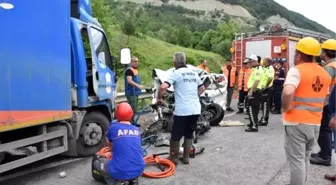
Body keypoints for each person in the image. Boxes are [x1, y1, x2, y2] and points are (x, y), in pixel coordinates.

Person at [282, 37, 331, 185]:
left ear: (298, 55)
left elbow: (288, 92)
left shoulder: (297, 70)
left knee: (296, 161)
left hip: (296, 123)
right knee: (304, 158)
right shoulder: (324, 73)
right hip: (315, 123)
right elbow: (326, 96)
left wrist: (286, 107)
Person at [157, 52, 205, 165]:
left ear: (174, 62)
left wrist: (159, 98)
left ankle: (173, 158)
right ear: (185, 61)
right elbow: (202, 88)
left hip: (183, 110)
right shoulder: (193, 73)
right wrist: (194, 96)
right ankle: (186, 157)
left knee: (176, 134)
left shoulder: (176, 73)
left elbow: (163, 86)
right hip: (195, 109)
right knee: (189, 133)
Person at [100, 102, 145, 185]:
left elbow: (108, 143)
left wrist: (111, 150)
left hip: (119, 170)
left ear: (117, 115)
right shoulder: (136, 129)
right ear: (131, 114)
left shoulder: (113, 127)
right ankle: (134, 180)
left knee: (102, 165)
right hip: (140, 169)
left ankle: (117, 182)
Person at [310, 39, 336, 166]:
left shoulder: (330, 68)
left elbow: (322, 86)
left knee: (324, 129)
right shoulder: (333, 65)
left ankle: (325, 157)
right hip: (330, 101)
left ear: (325, 53)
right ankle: (324, 152)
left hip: (327, 102)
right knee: (325, 129)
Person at [245, 54, 264, 132]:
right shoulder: (255, 69)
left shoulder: (258, 69)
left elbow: (256, 81)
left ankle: (254, 126)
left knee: (251, 108)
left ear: (255, 61)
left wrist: (251, 91)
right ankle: (253, 122)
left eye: (250, 62)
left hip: (255, 91)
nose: (249, 63)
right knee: (254, 109)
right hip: (255, 90)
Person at [124, 56, 144, 126]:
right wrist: (138, 86)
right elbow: (129, 81)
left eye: (137, 61)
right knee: (132, 109)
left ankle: (133, 122)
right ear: (131, 62)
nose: (136, 63)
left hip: (135, 92)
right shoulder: (129, 70)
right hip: (131, 92)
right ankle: (130, 123)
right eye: (135, 61)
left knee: (134, 109)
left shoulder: (135, 70)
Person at [258, 57, 275, 126]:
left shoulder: (270, 68)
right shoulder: (264, 68)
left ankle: (264, 120)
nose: (262, 61)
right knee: (263, 104)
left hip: (267, 89)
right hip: (263, 88)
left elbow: (270, 78)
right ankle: (263, 118)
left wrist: (266, 86)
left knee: (265, 105)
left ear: (267, 62)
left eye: (264, 60)